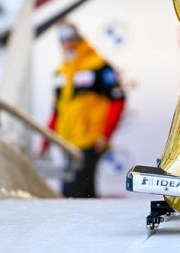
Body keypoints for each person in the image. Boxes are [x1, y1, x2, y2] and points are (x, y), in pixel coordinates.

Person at [39, 22, 126, 198]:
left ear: (79, 39)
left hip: (90, 141)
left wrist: (105, 135)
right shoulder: (61, 72)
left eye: (71, 39)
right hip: (68, 143)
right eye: (63, 40)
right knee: (81, 194)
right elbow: (57, 111)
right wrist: (45, 143)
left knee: (74, 193)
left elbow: (118, 100)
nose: (67, 44)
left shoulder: (98, 66)